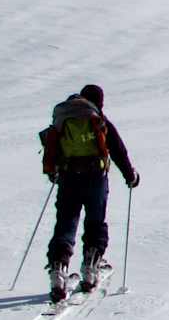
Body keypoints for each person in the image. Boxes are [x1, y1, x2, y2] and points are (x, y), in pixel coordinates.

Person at [40, 84, 139, 303]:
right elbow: (118, 149)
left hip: (68, 178)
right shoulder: (98, 118)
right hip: (95, 177)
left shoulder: (63, 118)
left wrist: (54, 173)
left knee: (66, 224)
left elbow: (52, 147)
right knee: (95, 222)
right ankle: (91, 267)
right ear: (99, 101)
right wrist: (130, 175)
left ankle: (58, 269)